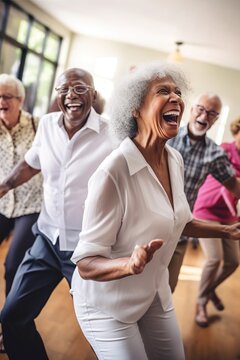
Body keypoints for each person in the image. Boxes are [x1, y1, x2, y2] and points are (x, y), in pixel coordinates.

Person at [70, 62, 240, 360]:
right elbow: (85, 263)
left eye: (178, 92)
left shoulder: (174, 159)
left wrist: (227, 230)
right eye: (164, 91)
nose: (176, 97)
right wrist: (128, 264)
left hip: (153, 293)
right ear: (136, 108)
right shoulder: (114, 171)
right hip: (108, 305)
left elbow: (180, 221)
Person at [0, 68, 113, 360]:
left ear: (94, 94)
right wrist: (4, 187)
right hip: (46, 239)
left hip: (87, 250)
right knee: (12, 317)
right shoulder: (48, 125)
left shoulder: (112, 134)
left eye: (79, 88)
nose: (71, 95)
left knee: (103, 330)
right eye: (64, 89)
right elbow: (30, 163)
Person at [168, 93, 240, 294]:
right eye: (200, 109)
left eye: (211, 113)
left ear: (216, 119)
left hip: (179, 235)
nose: (204, 116)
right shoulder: (167, 138)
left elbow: (234, 186)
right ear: (191, 109)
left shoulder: (214, 154)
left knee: (166, 291)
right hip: (148, 229)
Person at [0, 74, 42, 352]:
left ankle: (10, 327)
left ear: (20, 100)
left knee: (14, 265)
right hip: (2, 204)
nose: (1, 102)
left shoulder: (38, 125)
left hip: (31, 204)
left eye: (7, 97)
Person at [192, 116, 240, 327]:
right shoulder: (224, 149)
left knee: (233, 261)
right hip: (207, 209)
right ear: (237, 131)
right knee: (214, 259)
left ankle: (208, 290)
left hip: (228, 215)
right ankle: (200, 302)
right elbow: (224, 184)